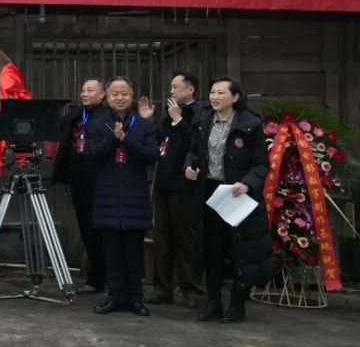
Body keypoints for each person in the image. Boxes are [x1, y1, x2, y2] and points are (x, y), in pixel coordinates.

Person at [185, 77, 273, 324]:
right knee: (212, 248)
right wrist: (190, 168)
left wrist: (247, 183)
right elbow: (193, 152)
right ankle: (213, 301)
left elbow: (261, 164)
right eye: (212, 92)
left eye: (221, 93)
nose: (214, 97)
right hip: (210, 192)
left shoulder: (250, 124)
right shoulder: (203, 120)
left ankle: (237, 303)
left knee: (238, 250)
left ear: (235, 97)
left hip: (237, 193)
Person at [85, 76, 160, 316]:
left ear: (132, 96)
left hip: (134, 195)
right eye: (115, 94)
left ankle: (135, 298)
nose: (120, 98)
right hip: (106, 194)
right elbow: (90, 155)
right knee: (112, 252)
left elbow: (151, 156)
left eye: (124, 94)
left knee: (133, 252)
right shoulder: (96, 124)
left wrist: (126, 140)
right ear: (107, 96)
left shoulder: (144, 125)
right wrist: (112, 138)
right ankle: (115, 297)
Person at [138, 71, 203, 309]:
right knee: (161, 239)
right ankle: (162, 288)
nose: (172, 92)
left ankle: (191, 289)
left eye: (176, 87)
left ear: (190, 89)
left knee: (186, 239)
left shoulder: (199, 113)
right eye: (171, 88)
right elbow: (161, 143)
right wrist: (147, 121)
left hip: (185, 185)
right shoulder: (170, 114)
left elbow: (197, 143)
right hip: (163, 183)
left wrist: (178, 120)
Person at [52, 78, 108, 295]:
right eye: (83, 90)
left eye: (90, 90)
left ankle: (104, 277)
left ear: (103, 95)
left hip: (101, 182)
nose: (84, 93)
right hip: (78, 180)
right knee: (85, 228)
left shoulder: (108, 116)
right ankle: (94, 278)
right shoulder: (73, 116)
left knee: (101, 230)